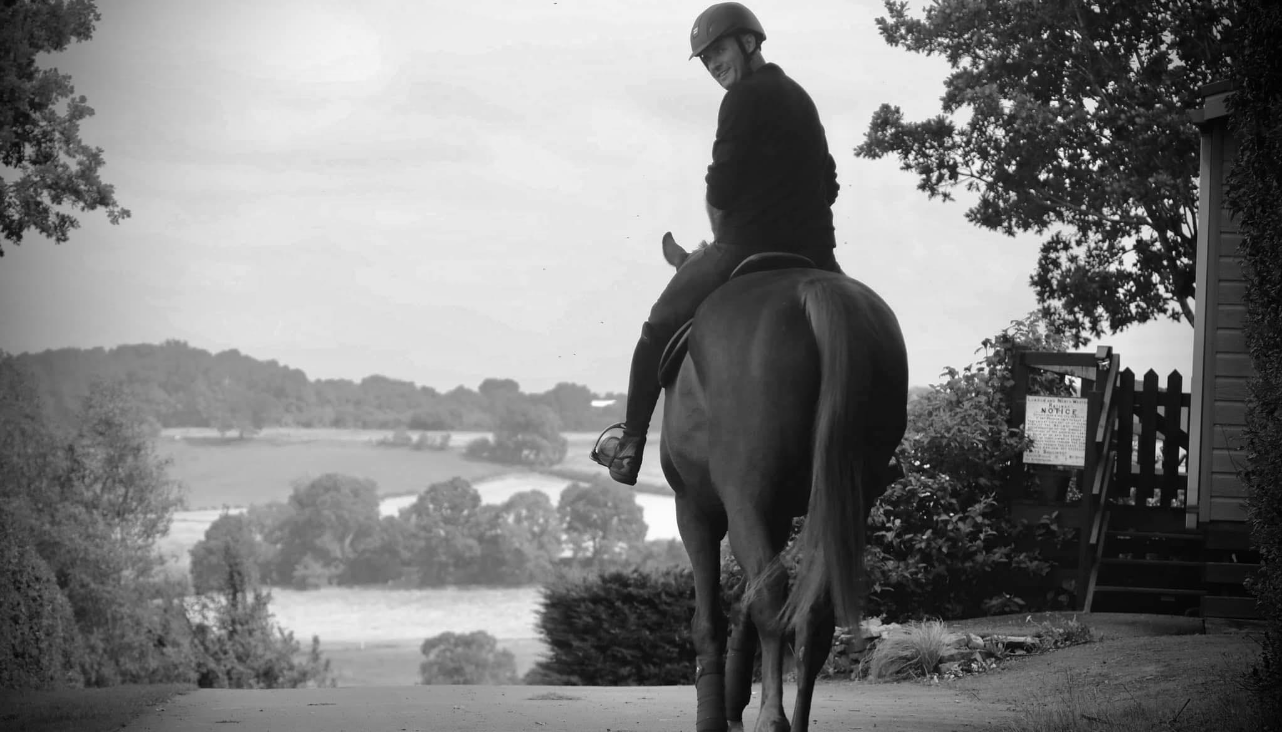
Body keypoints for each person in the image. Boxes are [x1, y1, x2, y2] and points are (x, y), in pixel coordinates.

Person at [591, 2, 844, 486]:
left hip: (742, 248)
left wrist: (732, 212)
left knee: (656, 327)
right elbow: (829, 180)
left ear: (749, 42)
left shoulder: (741, 100)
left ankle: (630, 444)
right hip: (818, 255)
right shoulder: (801, 96)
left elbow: (722, 187)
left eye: (719, 51)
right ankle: (880, 448)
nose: (714, 66)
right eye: (707, 61)